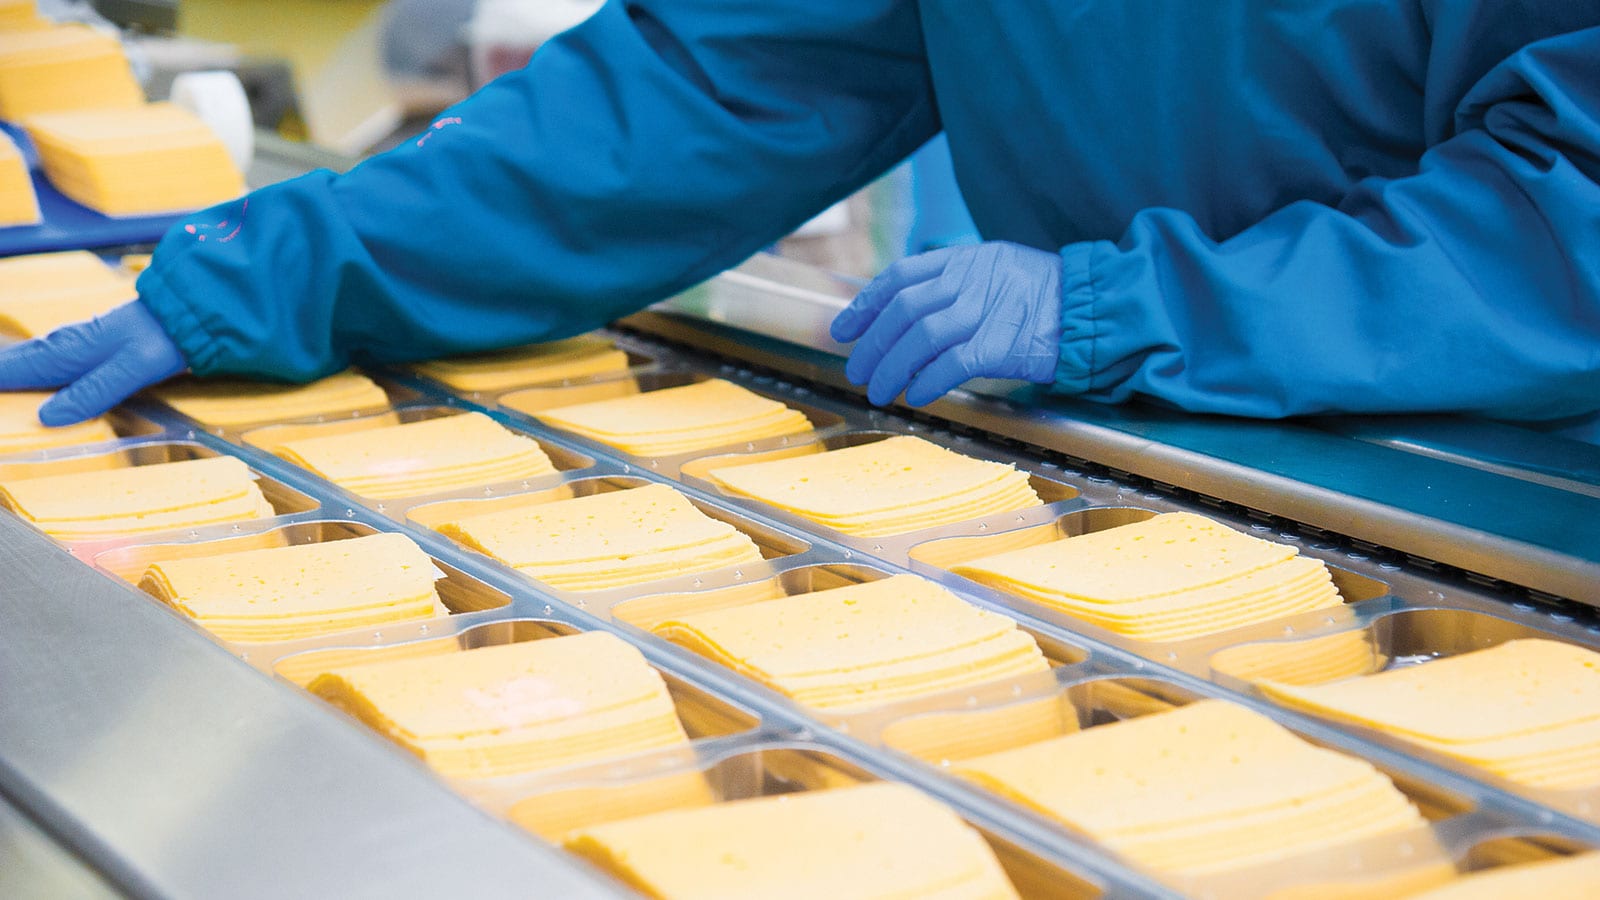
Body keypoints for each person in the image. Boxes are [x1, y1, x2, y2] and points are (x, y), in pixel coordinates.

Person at [4, 2, 1599, 436]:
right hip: (1131, 447)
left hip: (1486, 499)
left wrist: (1129, 309)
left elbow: (1569, 217)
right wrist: (267, 276)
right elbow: (701, 90)